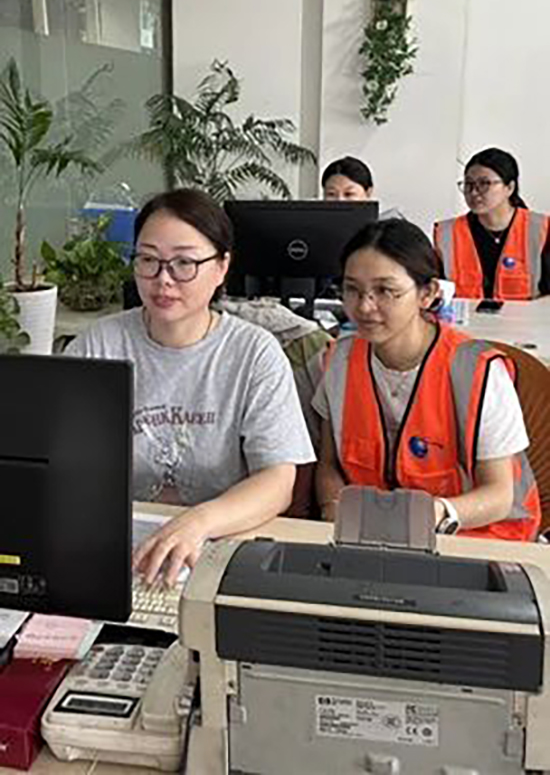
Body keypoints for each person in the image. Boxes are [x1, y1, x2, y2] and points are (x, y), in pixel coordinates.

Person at [66, 188, 315, 584]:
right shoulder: (99, 345)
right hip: (119, 548)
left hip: (219, 545)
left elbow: (277, 482)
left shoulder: (254, 353)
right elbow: (59, 463)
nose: (163, 279)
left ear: (221, 267)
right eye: (148, 260)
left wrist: (198, 522)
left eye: (184, 263)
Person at [313, 218, 541, 540]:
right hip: (372, 538)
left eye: (385, 291)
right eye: (352, 289)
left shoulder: (477, 371)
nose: (364, 306)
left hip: (474, 537)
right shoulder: (339, 361)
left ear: (427, 293)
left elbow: (500, 495)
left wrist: (438, 512)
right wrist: (332, 506)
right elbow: (329, 465)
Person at [434, 147, 550, 299]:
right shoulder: (446, 233)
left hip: (530, 315)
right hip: (464, 314)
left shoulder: (541, 229)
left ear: (510, 188)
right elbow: (435, 290)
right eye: (468, 184)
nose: (474, 192)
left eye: (484, 183)